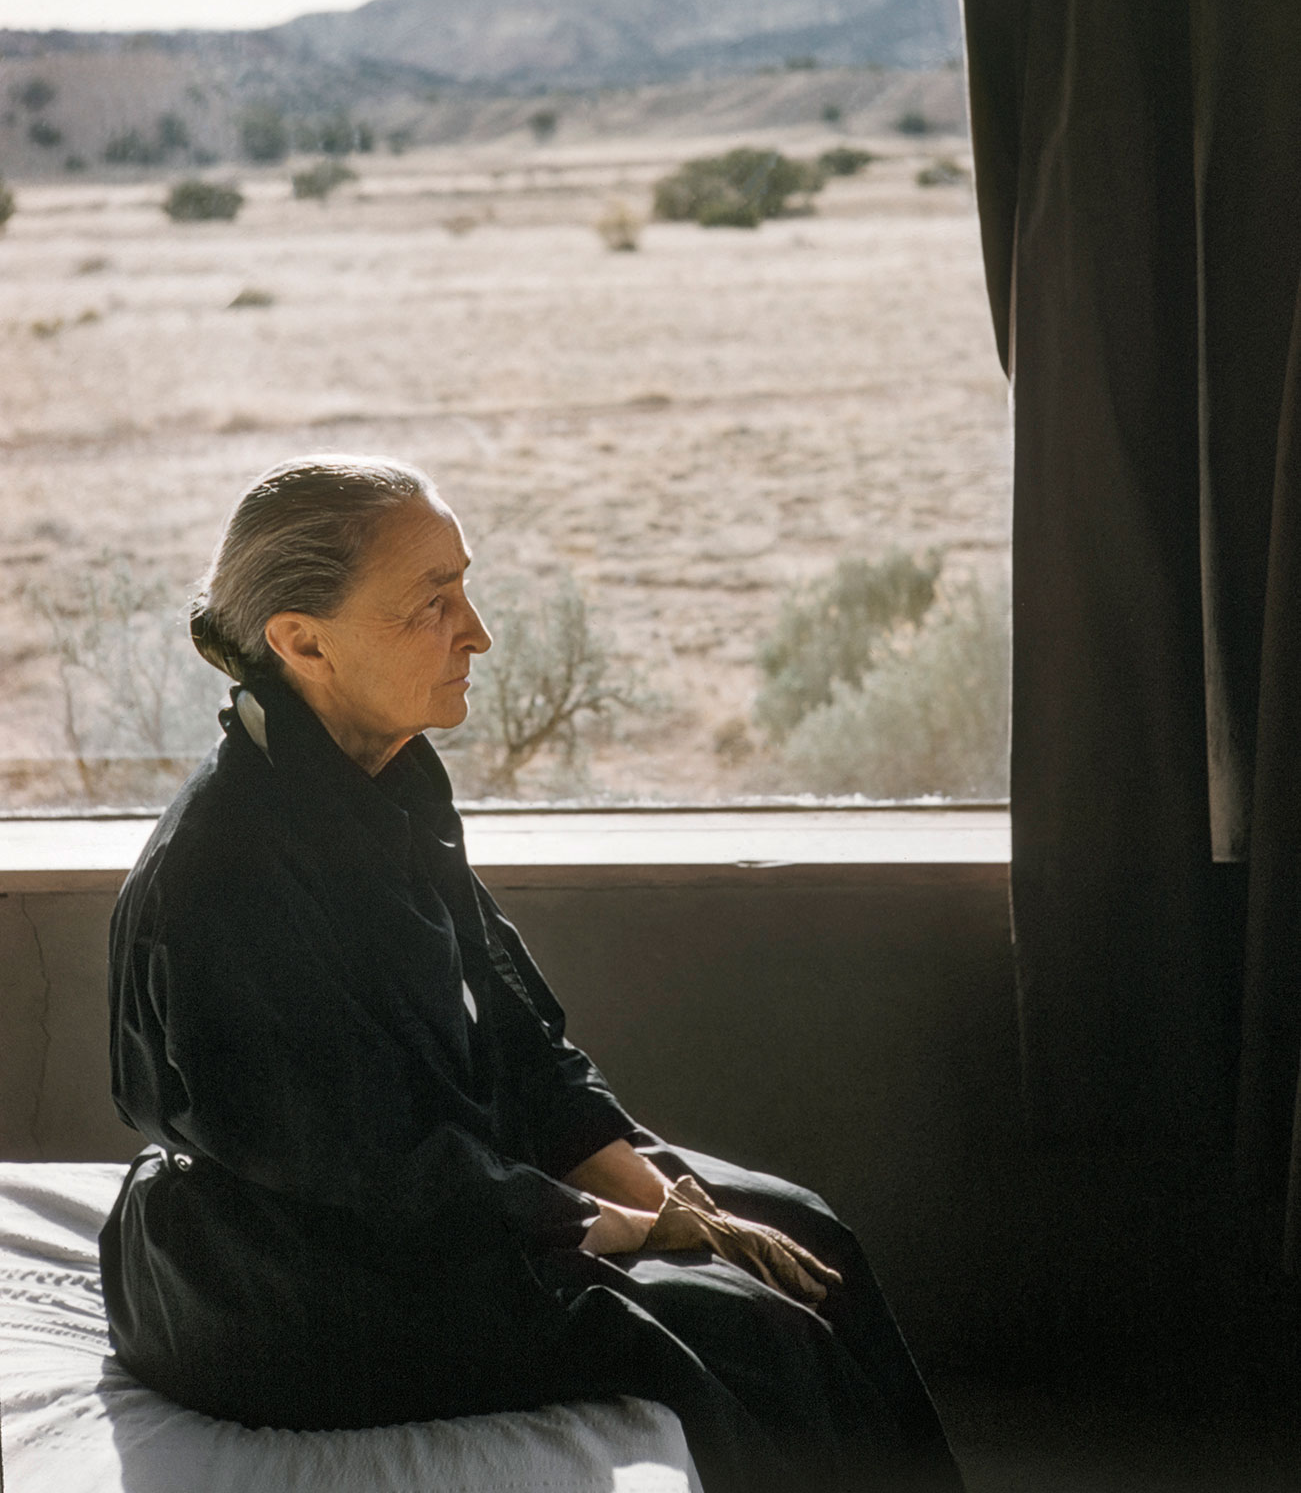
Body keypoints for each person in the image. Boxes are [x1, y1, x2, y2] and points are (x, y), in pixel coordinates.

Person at [100, 454, 963, 1493]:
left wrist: (681, 1202)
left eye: (463, 587)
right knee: (754, 1331)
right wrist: (644, 1232)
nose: (477, 632)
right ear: (300, 638)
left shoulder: (397, 778)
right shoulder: (222, 872)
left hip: (441, 1195)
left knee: (802, 1232)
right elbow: (379, 1171)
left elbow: (520, 1038)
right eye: (433, 602)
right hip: (282, 1270)